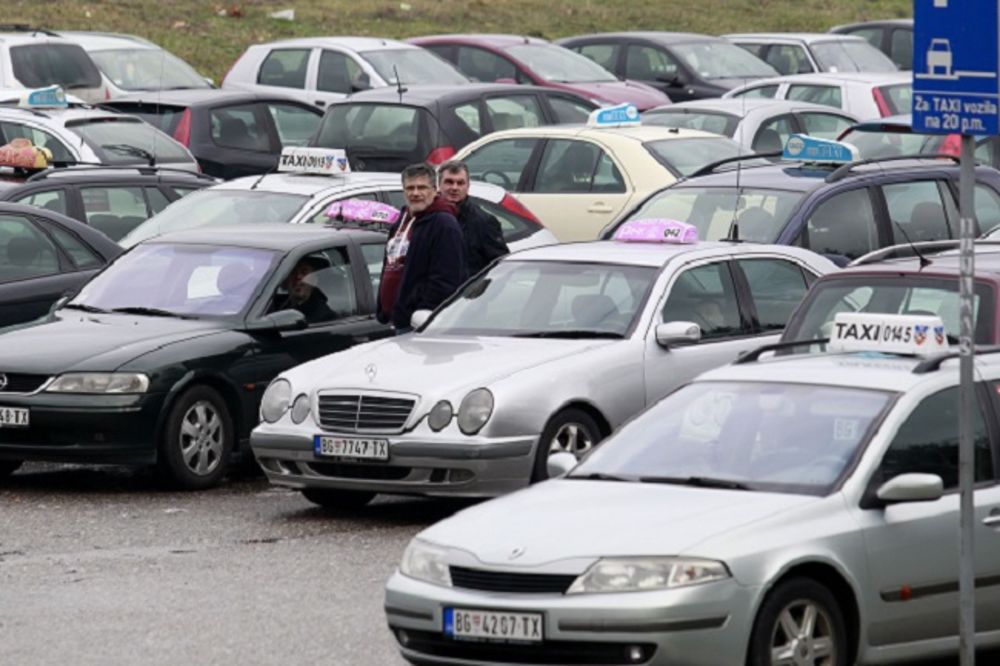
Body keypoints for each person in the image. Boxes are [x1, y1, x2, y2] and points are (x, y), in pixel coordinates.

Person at [377, 163, 467, 333]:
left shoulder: (444, 224)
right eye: (410, 188)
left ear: (434, 190)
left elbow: (446, 280)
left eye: (422, 187)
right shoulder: (402, 219)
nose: (415, 193)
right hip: (396, 320)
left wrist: (419, 312)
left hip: (419, 324)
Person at [438, 160, 509, 276]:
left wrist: (479, 291)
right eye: (449, 182)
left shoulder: (484, 222)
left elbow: (501, 267)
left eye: (460, 183)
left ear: (468, 186)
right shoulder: (427, 216)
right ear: (439, 184)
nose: (454, 188)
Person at [275, 256, 335, 323]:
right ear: (285, 280)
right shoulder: (274, 305)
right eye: (293, 272)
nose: (298, 277)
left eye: (304, 272)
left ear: (314, 280)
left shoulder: (324, 316)